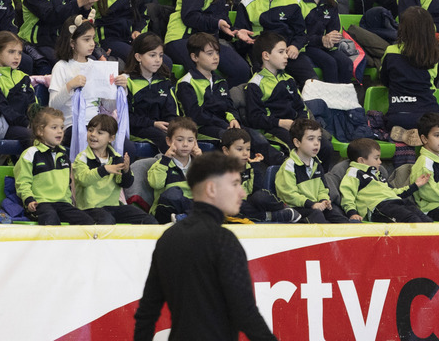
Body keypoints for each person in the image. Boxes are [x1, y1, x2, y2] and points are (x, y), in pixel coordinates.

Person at [133, 150, 279, 341]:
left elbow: (147, 312)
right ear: (211, 189)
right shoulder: (223, 240)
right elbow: (245, 313)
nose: (242, 192)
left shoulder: (168, 238)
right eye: (234, 184)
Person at [74, 114, 155, 224]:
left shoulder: (116, 158)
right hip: (89, 209)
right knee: (106, 220)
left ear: (111, 138)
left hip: (113, 207)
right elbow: (83, 179)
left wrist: (126, 171)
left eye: (100, 132)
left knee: (148, 219)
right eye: (90, 130)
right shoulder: (82, 157)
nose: (93, 135)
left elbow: (125, 184)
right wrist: (104, 169)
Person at [15, 107, 91, 225]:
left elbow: (69, 184)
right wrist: (29, 200)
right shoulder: (30, 154)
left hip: (63, 203)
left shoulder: (63, 154)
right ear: (40, 131)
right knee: (50, 217)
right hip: (40, 203)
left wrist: (72, 202)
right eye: (54, 127)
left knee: (87, 221)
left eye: (61, 127)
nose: (60, 131)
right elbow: (23, 182)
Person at [379, 7, 439, 134]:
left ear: (403, 29)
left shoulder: (391, 51)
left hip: (398, 116)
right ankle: (426, 137)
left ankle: (403, 138)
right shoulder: (434, 55)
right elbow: (434, 84)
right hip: (429, 118)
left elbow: (385, 80)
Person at [339, 138, 431, 223]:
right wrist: (352, 213)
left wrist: (415, 185)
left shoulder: (378, 174)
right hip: (380, 207)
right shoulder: (354, 173)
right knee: (413, 221)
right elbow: (347, 194)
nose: (380, 162)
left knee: (427, 221)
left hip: (397, 202)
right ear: (362, 160)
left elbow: (394, 192)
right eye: (376, 158)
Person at [274, 118, 348, 223]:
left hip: (315, 206)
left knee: (337, 215)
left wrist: (323, 200)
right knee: (317, 215)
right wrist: (311, 204)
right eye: (311, 139)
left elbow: (322, 189)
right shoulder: (289, 166)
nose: (316, 143)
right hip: (297, 209)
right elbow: (289, 195)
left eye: (319, 139)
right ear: (297, 142)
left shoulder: (316, 164)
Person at [220, 128, 299, 223]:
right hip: (238, 206)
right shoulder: (220, 171)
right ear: (226, 150)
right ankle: (270, 216)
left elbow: (257, 191)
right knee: (235, 205)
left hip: (251, 203)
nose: (245, 153)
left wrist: (256, 167)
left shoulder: (250, 167)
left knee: (261, 196)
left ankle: (283, 207)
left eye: (248, 149)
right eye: (239, 149)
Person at [124, 33, 178, 155]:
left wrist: (172, 126)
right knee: (164, 138)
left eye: (160, 55)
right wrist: (153, 123)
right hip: (138, 129)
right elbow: (127, 117)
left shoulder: (164, 82)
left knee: (183, 134)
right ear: (138, 57)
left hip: (160, 127)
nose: (158, 60)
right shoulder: (127, 81)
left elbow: (171, 112)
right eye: (152, 55)